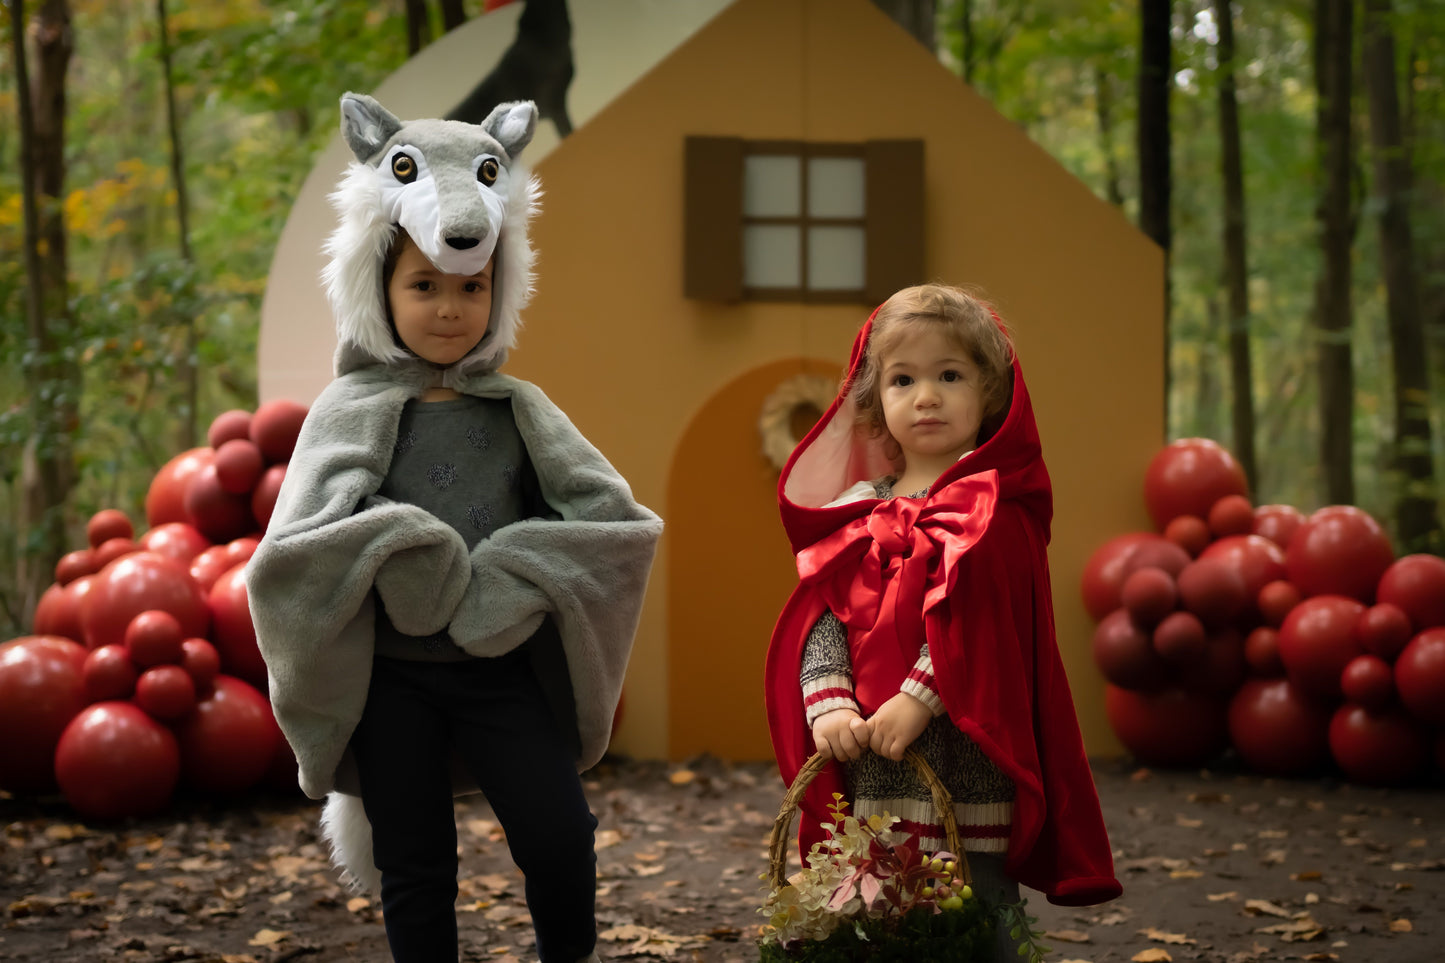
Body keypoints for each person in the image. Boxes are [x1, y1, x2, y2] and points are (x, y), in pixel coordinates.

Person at [246, 93, 661, 963]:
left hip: (500, 670)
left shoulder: (520, 408)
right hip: (393, 683)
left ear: (497, 288)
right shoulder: (348, 411)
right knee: (416, 863)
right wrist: (404, 545)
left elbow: (611, 524)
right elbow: (295, 551)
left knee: (558, 834)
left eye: (470, 288)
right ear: (379, 288)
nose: (447, 308)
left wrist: (512, 570)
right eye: (423, 286)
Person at [764, 285, 1121, 952]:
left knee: (977, 909)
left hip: (964, 757)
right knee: (873, 907)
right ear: (873, 400)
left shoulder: (994, 508)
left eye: (948, 375)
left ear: (988, 392)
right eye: (903, 379)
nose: (925, 395)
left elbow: (984, 625)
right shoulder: (856, 508)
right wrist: (828, 703)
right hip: (873, 755)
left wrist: (918, 698)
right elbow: (825, 614)